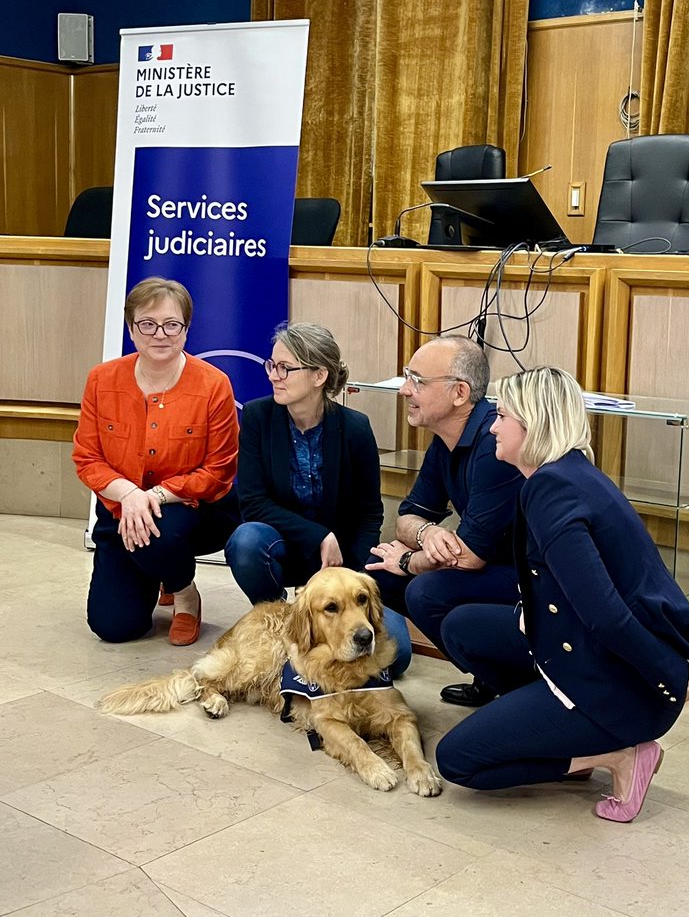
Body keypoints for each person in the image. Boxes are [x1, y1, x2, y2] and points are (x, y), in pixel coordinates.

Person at [435, 367, 689, 822]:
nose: (493, 427)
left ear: (533, 424)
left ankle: (616, 754)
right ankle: (556, 726)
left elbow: (605, 613)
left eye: (502, 417)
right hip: (585, 653)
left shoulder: (553, 490)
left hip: (620, 689)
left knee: (457, 760)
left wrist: (672, 675)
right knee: (462, 625)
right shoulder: (566, 474)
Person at [224, 322, 412, 675]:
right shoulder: (258, 417)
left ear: (319, 375)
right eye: (272, 365)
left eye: (285, 368)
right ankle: (282, 622)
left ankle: (332, 622)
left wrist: (351, 578)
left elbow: (369, 513)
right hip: (287, 549)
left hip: (343, 561)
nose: (274, 375)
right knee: (246, 542)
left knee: (397, 656)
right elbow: (252, 502)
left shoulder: (355, 428)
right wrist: (320, 536)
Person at [73, 277, 240, 646]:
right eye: (147, 324)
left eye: (171, 324)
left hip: (192, 510)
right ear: (131, 329)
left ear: (186, 329)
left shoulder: (214, 385)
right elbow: (87, 457)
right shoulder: (101, 380)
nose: (160, 334)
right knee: (114, 627)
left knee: (158, 532)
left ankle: (184, 593)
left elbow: (219, 471)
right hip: (121, 510)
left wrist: (155, 496)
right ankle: (161, 570)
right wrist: (130, 494)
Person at [365, 335, 522, 705]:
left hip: (532, 578)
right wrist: (428, 532)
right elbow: (407, 517)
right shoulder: (445, 439)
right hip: (489, 565)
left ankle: (518, 686)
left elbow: (470, 557)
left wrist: (408, 560)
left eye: (418, 381)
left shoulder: (492, 443)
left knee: (425, 591)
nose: (405, 390)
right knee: (379, 572)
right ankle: (490, 673)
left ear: (459, 393)